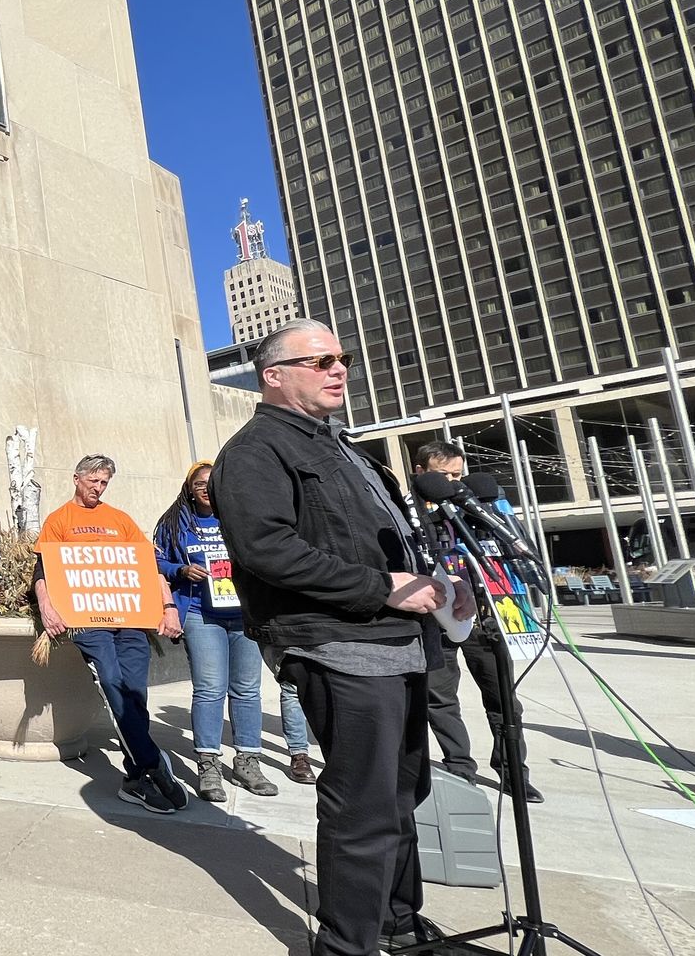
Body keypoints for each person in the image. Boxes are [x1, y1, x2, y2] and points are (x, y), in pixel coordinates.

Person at [211, 319, 472, 956]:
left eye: (343, 358)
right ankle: (347, 945)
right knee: (364, 804)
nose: (339, 369)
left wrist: (438, 584)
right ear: (272, 376)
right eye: (320, 359)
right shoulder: (254, 453)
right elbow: (267, 549)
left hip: (402, 643)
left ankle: (399, 924)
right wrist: (380, 587)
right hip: (338, 646)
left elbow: (388, 541)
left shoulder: (348, 448)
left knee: (406, 791)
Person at [152, 460, 315, 801]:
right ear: (190, 490)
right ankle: (209, 766)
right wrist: (180, 570)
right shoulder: (175, 524)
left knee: (247, 690)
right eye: (200, 485)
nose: (206, 490)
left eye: (212, 485)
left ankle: (247, 763)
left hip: (244, 616)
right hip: (200, 614)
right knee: (210, 689)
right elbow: (156, 561)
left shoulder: (240, 519)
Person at [34, 455, 189, 815]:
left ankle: (136, 780)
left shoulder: (119, 519)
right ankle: (154, 762)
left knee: (135, 696)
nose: (98, 488)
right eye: (93, 481)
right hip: (88, 620)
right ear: (76, 478)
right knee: (113, 688)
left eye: (104, 483)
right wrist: (47, 608)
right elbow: (42, 571)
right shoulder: (59, 521)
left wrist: (168, 608)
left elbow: (149, 566)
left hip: (130, 619)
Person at [410, 441, 542, 804]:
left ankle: (514, 771)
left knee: (504, 700)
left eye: (458, 475)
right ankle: (460, 768)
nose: (453, 482)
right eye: (444, 476)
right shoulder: (409, 511)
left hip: (488, 616)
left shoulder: (476, 506)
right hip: (437, 621)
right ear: (421, 473)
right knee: (441, 700)